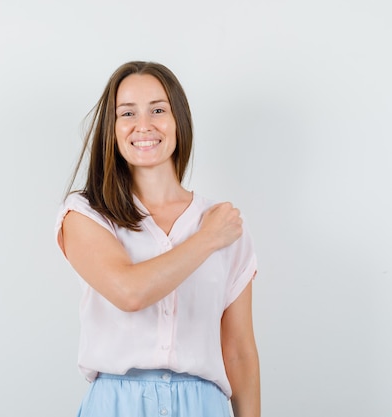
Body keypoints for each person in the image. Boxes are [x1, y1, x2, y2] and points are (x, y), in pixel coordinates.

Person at [54, 61, 260, 417]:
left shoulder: (226, 225)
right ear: (112, 129)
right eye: (127, 113)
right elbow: (128, 291)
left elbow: (239, 350)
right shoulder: (85, 214)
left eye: (158, 110)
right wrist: (207, 239)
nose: (143, 125)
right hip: (116, 405)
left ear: (179, 120)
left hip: (204, 406)